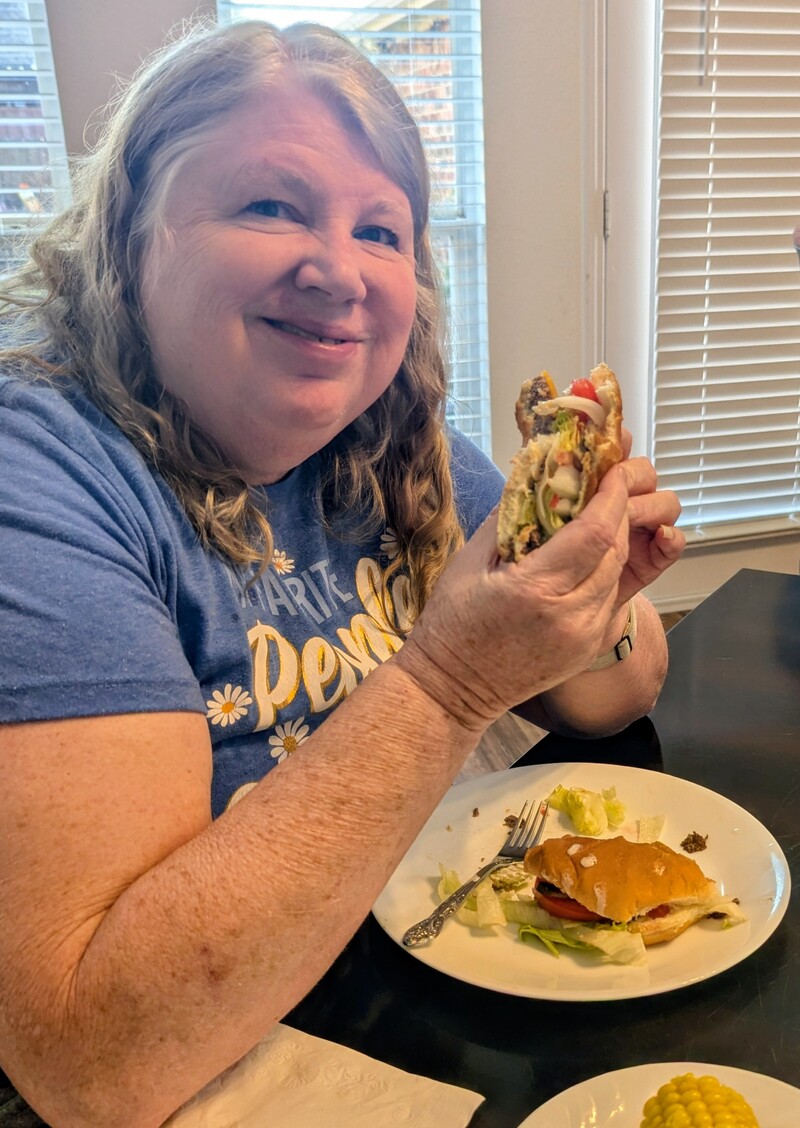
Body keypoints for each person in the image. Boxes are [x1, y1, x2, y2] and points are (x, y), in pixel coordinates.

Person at [0, 18, 685, 1128]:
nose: (336, 271)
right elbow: (92, 1063)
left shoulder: (393, 431)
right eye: (270, 206)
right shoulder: (42, 477)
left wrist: (596, 598)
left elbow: (609, 700)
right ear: (128, 233)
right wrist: (445, 685)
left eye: (379, 230)